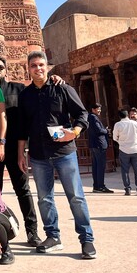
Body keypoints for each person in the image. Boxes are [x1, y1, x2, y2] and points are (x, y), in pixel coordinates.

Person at [17, 50, 96, 259]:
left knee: (76, 197)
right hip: (38, 154)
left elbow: (82, 114)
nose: (38, 69)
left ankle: (86, 239)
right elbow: (22, 128)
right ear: (29, 68)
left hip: (64, 152)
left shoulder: (62, 89)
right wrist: (20, 155)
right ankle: (53, 236)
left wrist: (75, 131)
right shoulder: (26, 96)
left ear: (47, 66)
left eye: (41, 65)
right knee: (45, 199)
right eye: (33, 65)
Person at [0, 56, 42, 245]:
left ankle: (32, 231)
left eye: (0, 66)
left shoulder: (18, 89)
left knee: (23, 189)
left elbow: (24, 120)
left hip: (13, 147)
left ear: (6, 70)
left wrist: (54, 79)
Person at [112, 110, 137, 196]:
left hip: (124, 149)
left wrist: (120, 141)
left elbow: (114, 138)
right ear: (127, 115)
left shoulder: (118, 125)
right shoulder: (135, 123)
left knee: (125, 170)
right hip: (135, 149)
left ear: (120, 116)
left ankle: (127, 189)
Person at [88, 103, 113, 193]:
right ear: (93, 109)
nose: (99, 111)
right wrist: (106, 131)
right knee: (100, 166)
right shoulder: (93, 118)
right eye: (98, 109)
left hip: (94, 144)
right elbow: (98, 130)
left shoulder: (91, 117)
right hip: (99, 144)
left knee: (96, 166)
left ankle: (96, 186)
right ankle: (100, 186)